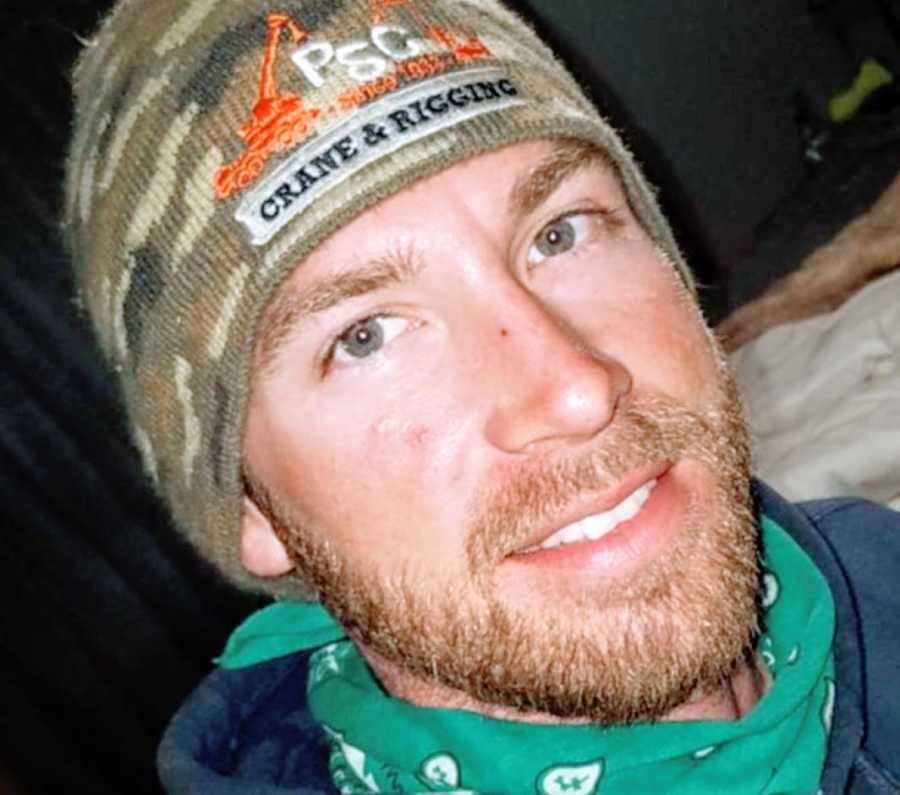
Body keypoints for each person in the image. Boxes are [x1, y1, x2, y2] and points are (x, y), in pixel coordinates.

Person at [64, 0, 900, 792]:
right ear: (252, 508)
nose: (575, 390)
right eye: (366, 336)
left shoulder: (876, 569)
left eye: (558, 233)